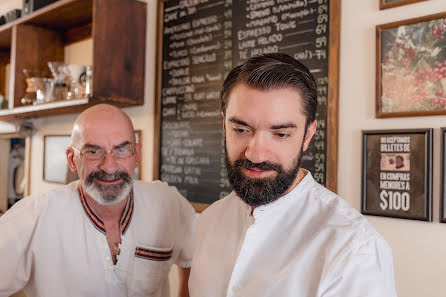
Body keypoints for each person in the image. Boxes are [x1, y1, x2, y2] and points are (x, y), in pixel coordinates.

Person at [188, 54, 398, 297]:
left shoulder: (354, 248)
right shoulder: (209, 220)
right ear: (224, 125)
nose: (255, 154)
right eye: (241, 129)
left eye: (280, 134)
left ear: (308, 135)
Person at [0, 104, 196, 297]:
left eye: (122, 150)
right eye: (93, 152)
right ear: (71, 159)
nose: (109, 167)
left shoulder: (167, 203)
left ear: (137, 155)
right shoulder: (35, 216)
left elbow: (193, 258)